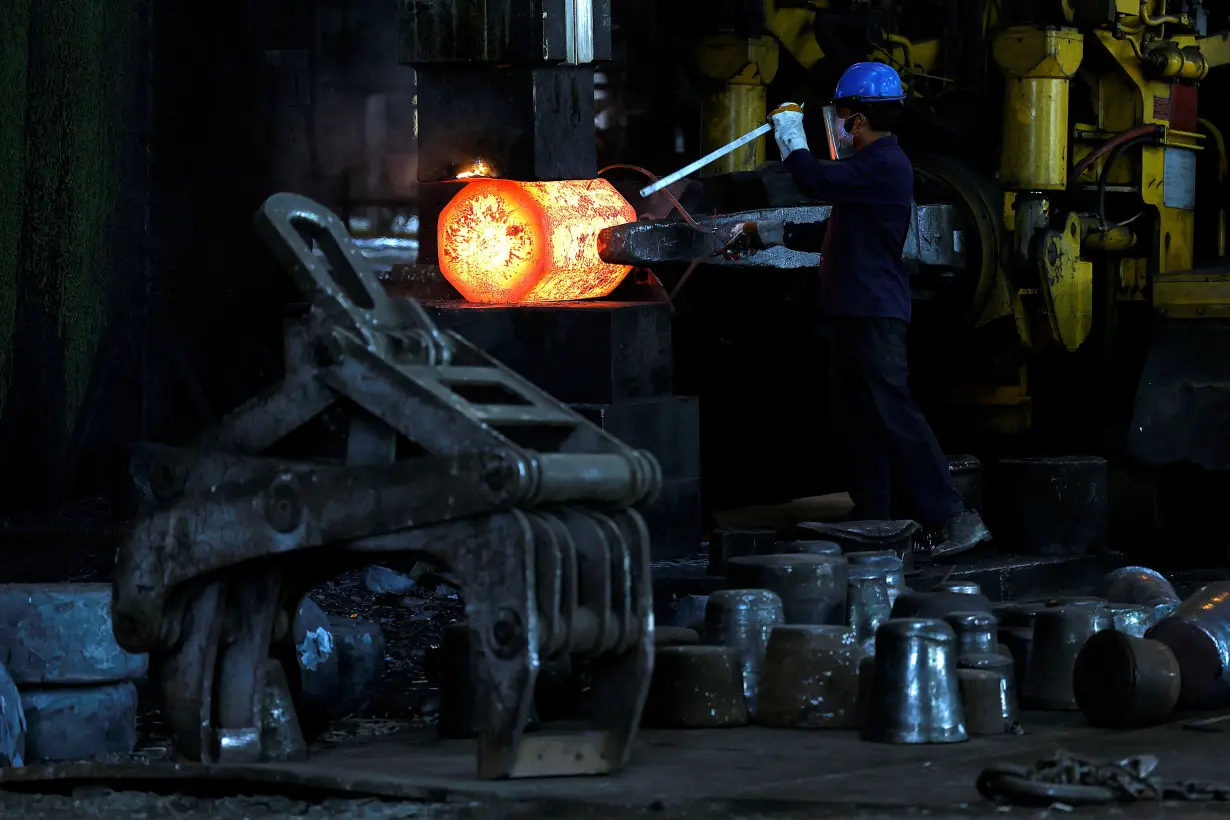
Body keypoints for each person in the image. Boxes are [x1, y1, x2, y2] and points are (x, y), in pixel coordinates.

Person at [726, 62, 990, 559]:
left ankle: (951, 516)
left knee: (892, 410)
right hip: (852, 310)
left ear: (855, 120)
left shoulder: (886, 164)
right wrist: (769, 234)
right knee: (857, 417)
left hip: (873, 310)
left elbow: (812, 181)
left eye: (842, 115)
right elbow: (836, 228)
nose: (840, 125)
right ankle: (874, 515)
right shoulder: (871, 172)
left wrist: (789, 131)